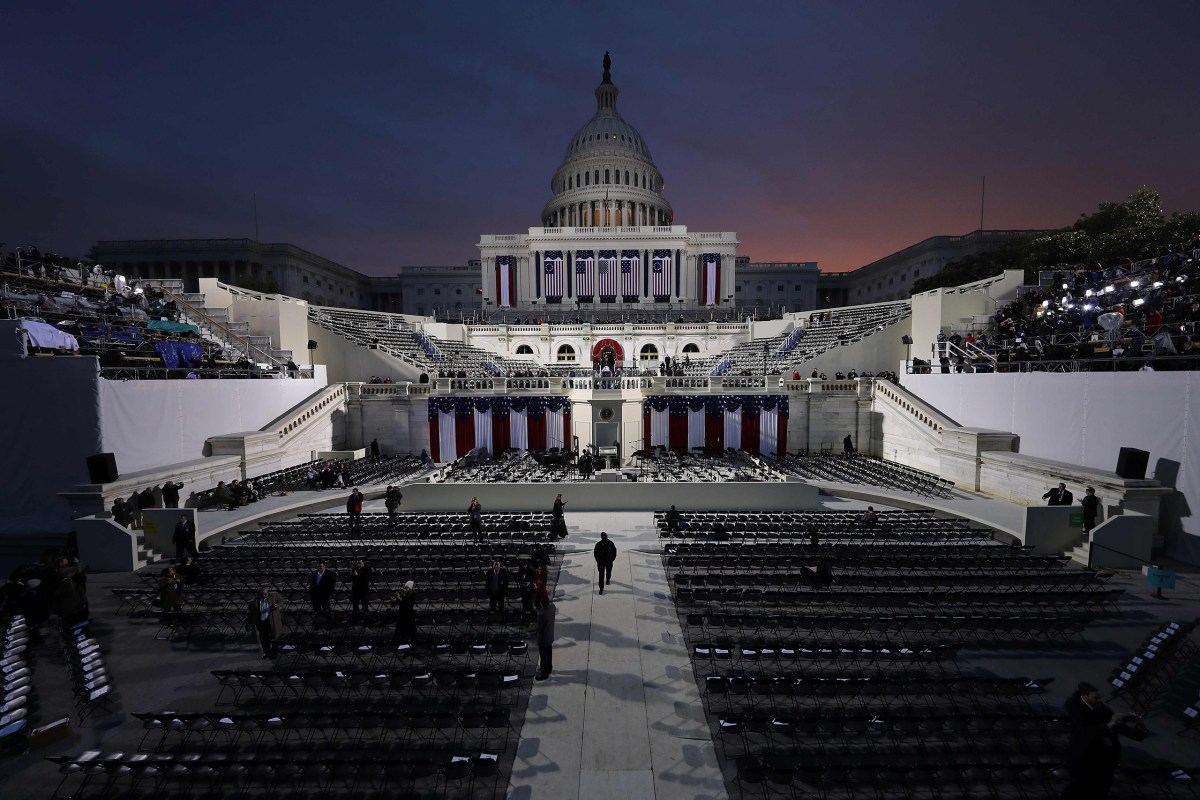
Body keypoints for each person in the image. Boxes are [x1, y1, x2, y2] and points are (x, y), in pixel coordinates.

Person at [1062, 682, 1123, 799]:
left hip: (1098, 758)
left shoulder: (1100, 708)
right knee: (1078, 786)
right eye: (1095, 697)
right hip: (1083, 757)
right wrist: (1109, 725)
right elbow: (1086, 731)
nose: (1099, 700)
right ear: (1085, 696)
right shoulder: (1074, 707)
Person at [246, 588, 283, 659]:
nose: (266, 596)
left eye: (266, 594)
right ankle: (266, 652)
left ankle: (274, 651)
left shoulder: (275, 595)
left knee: (274, 636)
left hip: (272, 620)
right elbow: (250, 614)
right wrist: (248, 625)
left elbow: (281, 601)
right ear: (258, 595)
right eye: (263, 595)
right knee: (263, 639)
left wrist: (277, 605)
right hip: (261, 622)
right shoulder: (252, 602)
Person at [534, 596, 556, 681]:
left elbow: (539, 628)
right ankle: (549, 668)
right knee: (549, 652)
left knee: (543, 656)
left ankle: (544, 673)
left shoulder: (541, 614)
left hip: (543, 637)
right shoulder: (552, 608)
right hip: (550, 634)